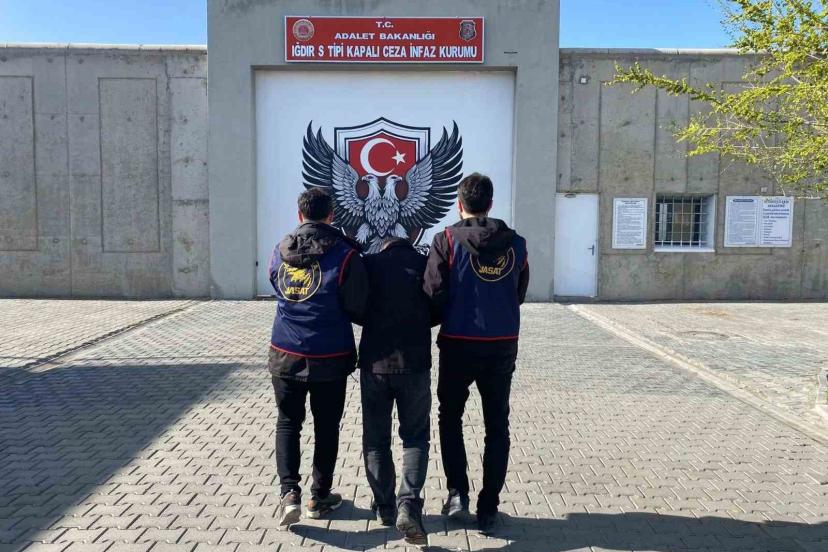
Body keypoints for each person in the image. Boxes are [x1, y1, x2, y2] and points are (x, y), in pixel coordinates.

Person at [423, 173, 530, 534]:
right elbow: (519, 291)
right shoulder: (516, 244)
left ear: (459, 204)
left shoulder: (445, 240)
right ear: (490, 204)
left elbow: (433, 292)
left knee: (450, 417)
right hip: (501, 344)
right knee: (496, 424)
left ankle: (457, 495)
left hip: (458, 342)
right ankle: (489, 507)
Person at [268, 188, 368, 528]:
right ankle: (318, 496)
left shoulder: (280, 250)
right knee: (326, 427)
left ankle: (289, 494)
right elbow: (357, 306)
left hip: (285, 353)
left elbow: (276, 285)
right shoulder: (345, 254)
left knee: (288, 422)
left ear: (300, 215)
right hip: (329, 356)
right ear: (331, 215)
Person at [358, 236, 435, 546]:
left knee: (376, 438)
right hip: (414, 362)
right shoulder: (424, 264)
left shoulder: (370, 264)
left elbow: (355, 305)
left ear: (384, 247)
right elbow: (438, 303)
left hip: (375, 363)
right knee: (415, 437)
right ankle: (409, 505)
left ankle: (385, 506)